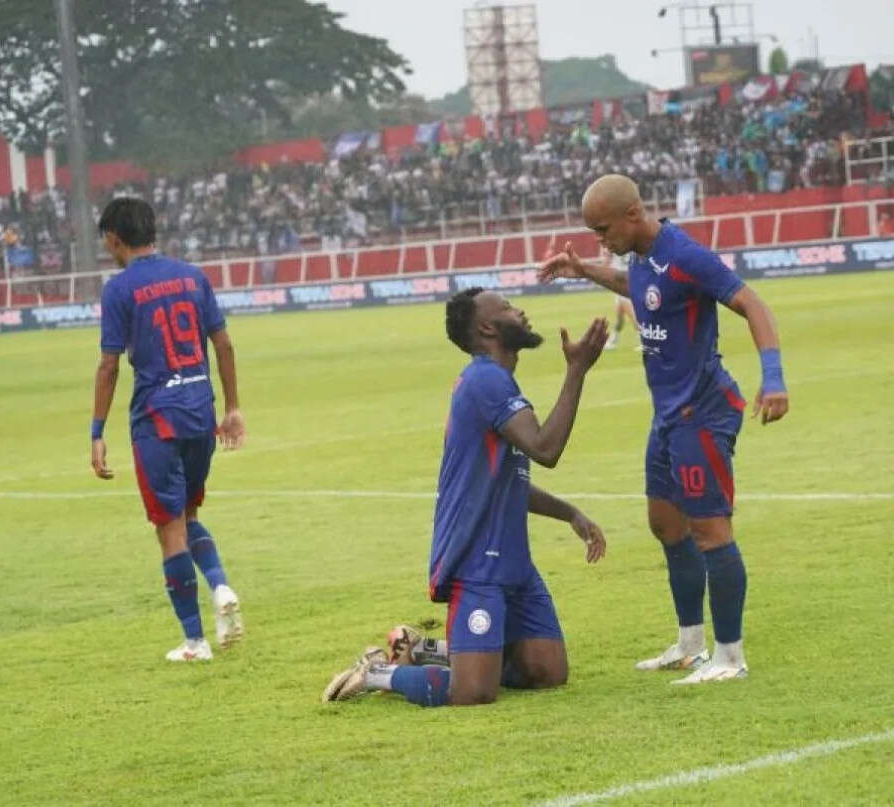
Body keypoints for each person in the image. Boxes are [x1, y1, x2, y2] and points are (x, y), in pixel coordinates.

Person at [538, 174, 789, 684]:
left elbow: (752, 304)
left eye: (603, 230)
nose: (599, 240)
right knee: (666, 526)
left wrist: (775, 378)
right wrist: (585, 268)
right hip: (669, 416)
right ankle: (691, 646)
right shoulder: (643, 259)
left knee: (710, 531)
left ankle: (730, 656)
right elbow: (641, 288)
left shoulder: (686, 255)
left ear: (633, 215)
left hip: (702, 412)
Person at [321, 289, 609, 707]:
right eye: (508, 307)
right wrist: (577, 370)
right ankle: (379, 672)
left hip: (512, 558)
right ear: (488, 328)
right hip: (478, 559)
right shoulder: (486, 380)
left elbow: (506, 480)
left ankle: (424, 651)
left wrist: (570, 513)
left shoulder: (495, 380)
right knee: (472, 691)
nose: (520, 311)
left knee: (547, 672)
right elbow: (545, 449)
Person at [90, 197, 246, 662]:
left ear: (114, 238)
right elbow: (224, 343)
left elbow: (108, 366)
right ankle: (219, 586)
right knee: (189, 516)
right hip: (201, 411)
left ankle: (195, 641)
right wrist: (233, 407)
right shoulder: (193, 276)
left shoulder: (119, 290)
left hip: (156, 419)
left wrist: (97, 431)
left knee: (168, 529)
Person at [604, 252, 639, 350]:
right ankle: (613, 341)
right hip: (626, 277)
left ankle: (644, 341)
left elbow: (607, 258)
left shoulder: (615, 242)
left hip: (621, 279)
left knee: (632, 314)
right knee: (620, 316)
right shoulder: (629, 244)